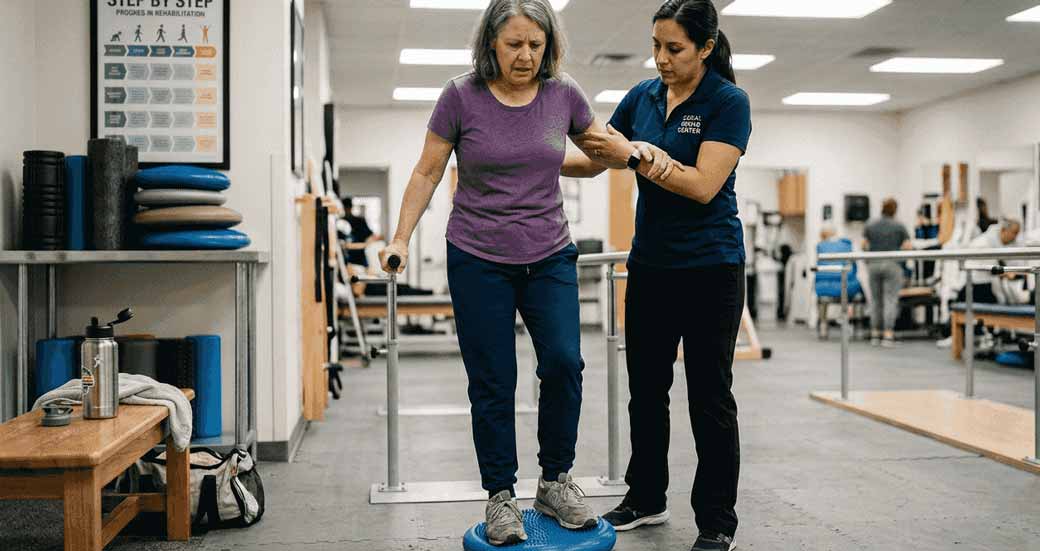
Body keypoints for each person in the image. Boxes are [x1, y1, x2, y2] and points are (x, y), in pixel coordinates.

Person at [377, 0, 615, 545]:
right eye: (514, 44)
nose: (525, 55)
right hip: (478, 255)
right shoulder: (460, 96)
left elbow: (595, 152)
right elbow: (427, 170)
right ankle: (501, 495)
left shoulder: (563, 94)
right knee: (493, 379)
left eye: (535, 44)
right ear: (491, 43)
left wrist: (627, 151)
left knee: (564, 363)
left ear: (549, 45)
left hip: (549, 253)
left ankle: (555, 481)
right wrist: (400, 238)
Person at [561, 1, 751, 549]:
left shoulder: (727, 102)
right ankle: (646, 497)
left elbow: (702, 185)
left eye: (674, 48)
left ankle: (717, 520)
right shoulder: (642, 96)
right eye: (656, 46)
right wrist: (527, 156)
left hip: (711, 267)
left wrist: (638, 156)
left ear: (706, 48)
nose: (661, 59)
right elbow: (596, 159)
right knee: (645, 390)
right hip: (651, 265)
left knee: (709, 396)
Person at [862, 198, 912, 347]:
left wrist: (869, 259)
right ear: (895, 210)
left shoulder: (870, 224)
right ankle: (888, 335)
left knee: (875, 300)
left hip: (874, 264)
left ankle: (875, 334)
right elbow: (908, 246)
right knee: (890, 299)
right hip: (893, 265)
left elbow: (863, 245)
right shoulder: (899, 225)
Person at [961, 218, 1021, 304]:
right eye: (1014, 233)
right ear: (1004, 230)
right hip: (976, 285)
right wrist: (1008, 273)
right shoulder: (984, 243)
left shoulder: (999, 244)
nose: (1015, 237)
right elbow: (992, 269)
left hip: (985, 283)